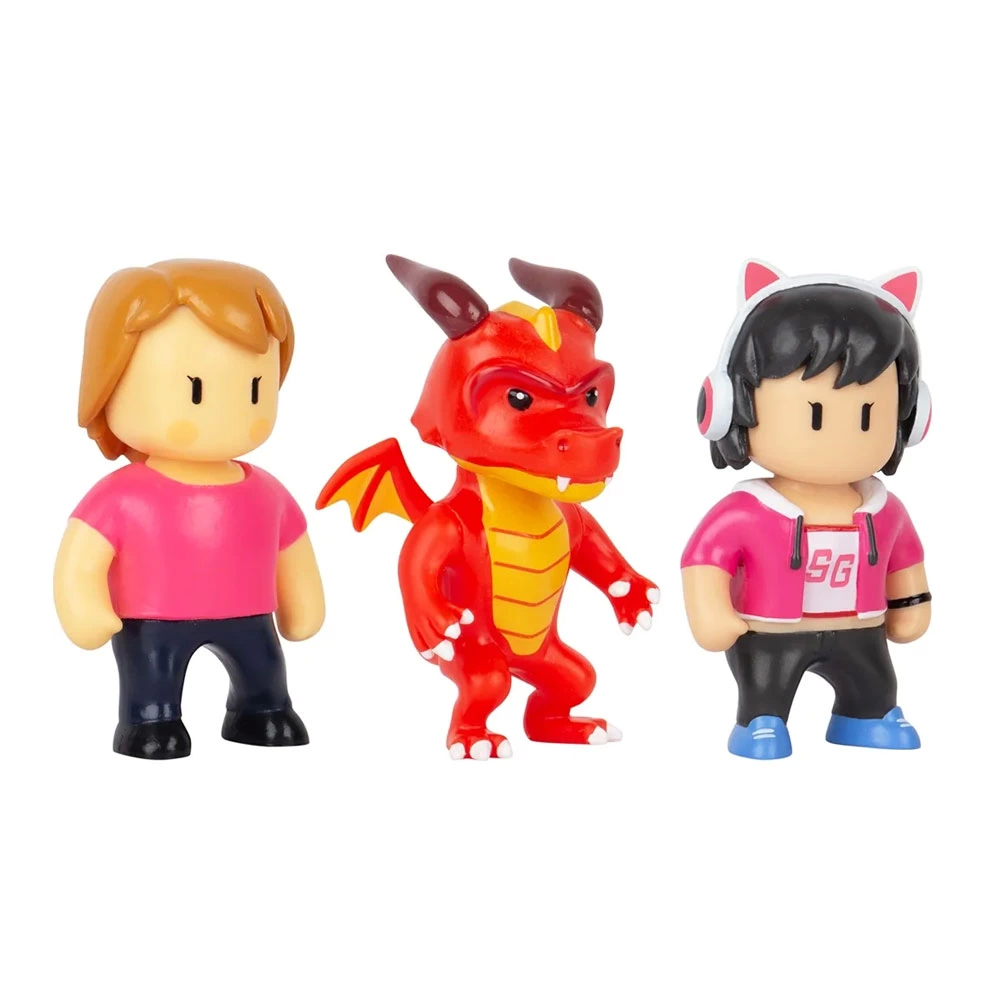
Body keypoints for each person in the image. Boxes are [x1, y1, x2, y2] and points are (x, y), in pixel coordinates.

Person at [54, 259, 325, 759]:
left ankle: (261, 710)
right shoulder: (124, 495)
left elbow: (291, 547)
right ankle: (150, 720)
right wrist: (84, 608)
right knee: (152, 678)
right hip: (152, 619)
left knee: (265, 671)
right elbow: (82, 558)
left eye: (255, 389)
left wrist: (303, 604)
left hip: (251, 613)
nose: (228, 411)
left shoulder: (266, 490)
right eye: (195, 390)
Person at [682, 261, 932, 759]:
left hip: (861, 629)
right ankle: (761, 719)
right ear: (729, 406)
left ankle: (868, 715)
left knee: (875, 684)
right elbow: (703, 559)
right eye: (815, 416)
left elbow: (904, 561)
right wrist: (711, 612)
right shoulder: (748, 510)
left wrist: (911, 606)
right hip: (771, 631)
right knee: (767, 689)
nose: (842, 436)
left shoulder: (884, 509)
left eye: (868, 415)